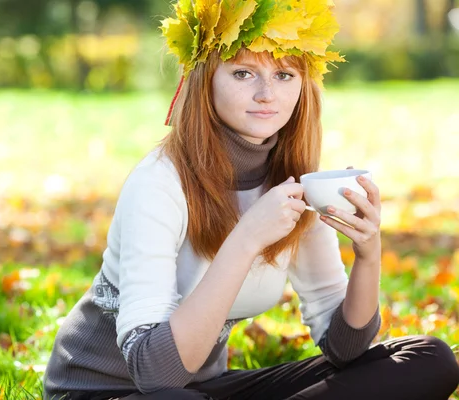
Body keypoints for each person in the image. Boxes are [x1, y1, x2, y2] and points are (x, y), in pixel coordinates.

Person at [44, 1, 459, 399]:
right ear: (205, 78)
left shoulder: (294, 184)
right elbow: (156, 374)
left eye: (284, 76)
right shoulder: (159, 183)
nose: (267, 94)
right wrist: (245, 240)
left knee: (429, 359)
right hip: (108, 391)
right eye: (243, 73)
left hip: (201, 387)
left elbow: (344, 350)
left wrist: (368, 254)